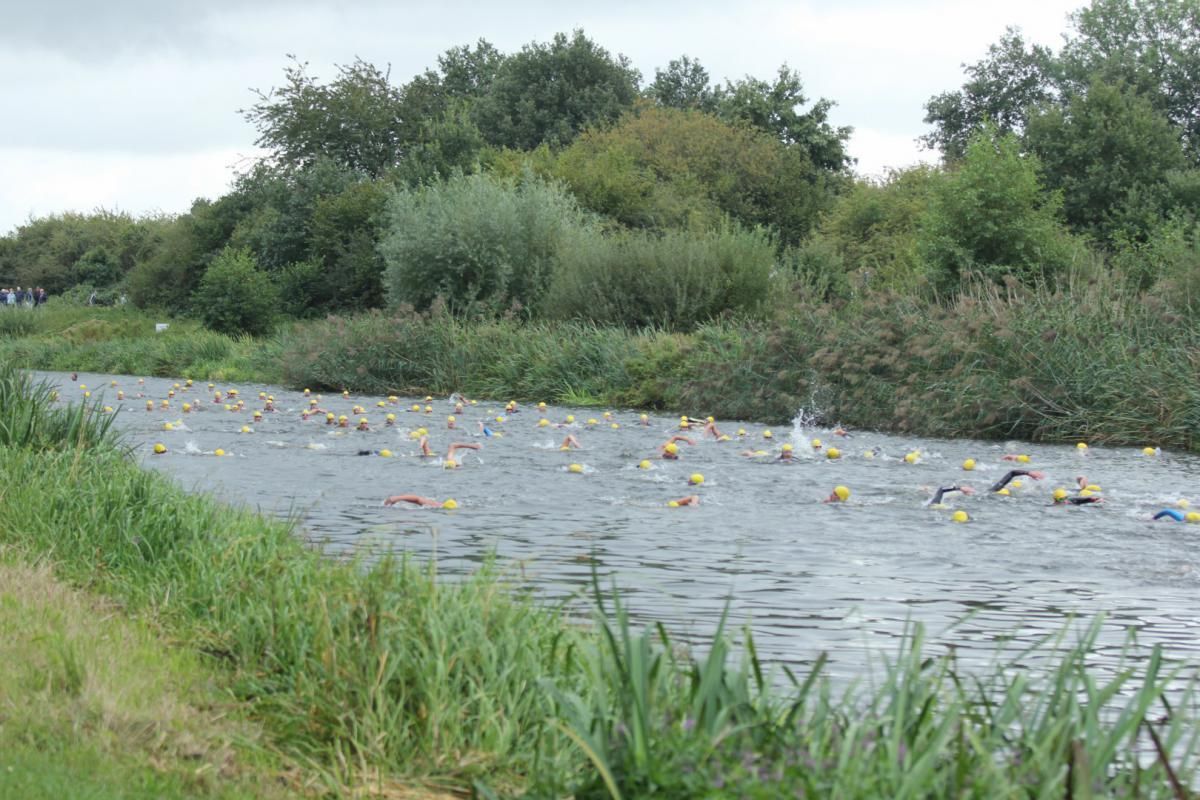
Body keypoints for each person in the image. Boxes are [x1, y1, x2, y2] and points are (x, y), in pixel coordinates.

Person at [383, 494, 455, 508]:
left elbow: (417, 499)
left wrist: (397, 498)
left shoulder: (437, 505)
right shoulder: (437, 505)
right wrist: (397, 498)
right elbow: (417, 499)